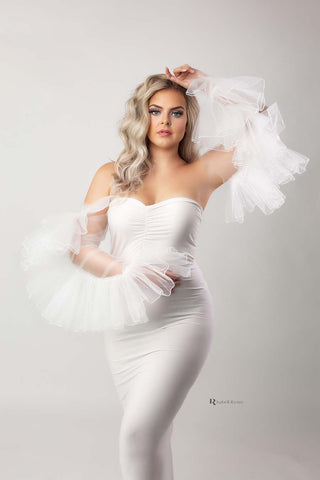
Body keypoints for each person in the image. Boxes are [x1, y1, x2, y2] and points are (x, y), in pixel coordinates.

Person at [21, 64, 309, 479]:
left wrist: (207, 85)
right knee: (153, 437)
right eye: (156, 111)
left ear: (188, 119)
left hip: (183, 318)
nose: (165, 122)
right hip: (126, 325)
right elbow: (81, 248)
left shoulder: (203, 172)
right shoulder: (111, 176)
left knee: (137, 435)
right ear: (142, 115)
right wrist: (127, 269)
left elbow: (264, 127)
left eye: (177, 112)